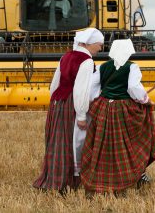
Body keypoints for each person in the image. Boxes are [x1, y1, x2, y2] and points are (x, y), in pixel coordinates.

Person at [81, 39, 155, 195]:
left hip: (103, 107)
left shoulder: (103, 66)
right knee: (130, 143)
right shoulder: (132, 67)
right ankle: (135, 175)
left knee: (102, 145)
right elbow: (134, 87)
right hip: (123, 109)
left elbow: (90, 89)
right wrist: (146, 100)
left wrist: (97, 103)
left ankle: (101, 179)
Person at [33, 28, 104, 193]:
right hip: (72, 103)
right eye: (98, 45)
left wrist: (54, 102)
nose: (100, 48)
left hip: (58, 102)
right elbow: (81, 90)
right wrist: (81, 115)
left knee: (56, 141)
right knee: (71, 141)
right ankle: (67, 182)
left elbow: (54, 83)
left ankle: (53, 178)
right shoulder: (86, 61)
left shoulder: (65, 56)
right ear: (88, 43)